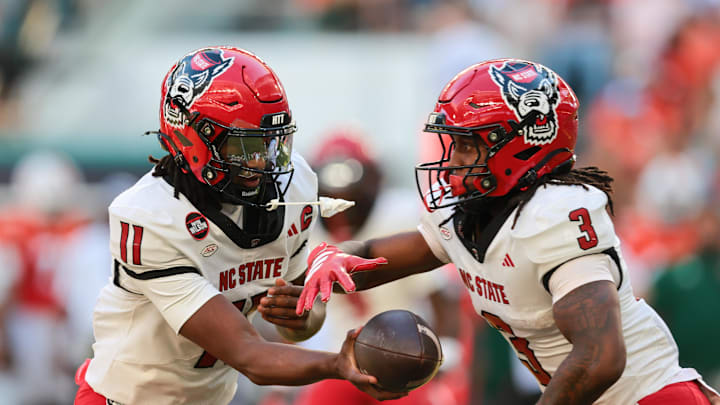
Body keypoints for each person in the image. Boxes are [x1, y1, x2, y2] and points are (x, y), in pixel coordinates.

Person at [296, 59, 720, 404]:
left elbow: (601, 356)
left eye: (467, 144)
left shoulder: (554, 213)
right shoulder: (469, 213)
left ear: (521, 143)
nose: (452, 161)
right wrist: (316, 270)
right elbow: (374, 257)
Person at [73, 46, 401, 405]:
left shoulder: (294, 187)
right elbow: (247, 354)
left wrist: (300, 316)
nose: (262, 162)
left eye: (271, 143)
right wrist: (338, 364)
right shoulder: (149, 216)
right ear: (193, 136)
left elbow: (297, 325)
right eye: (244, 148)